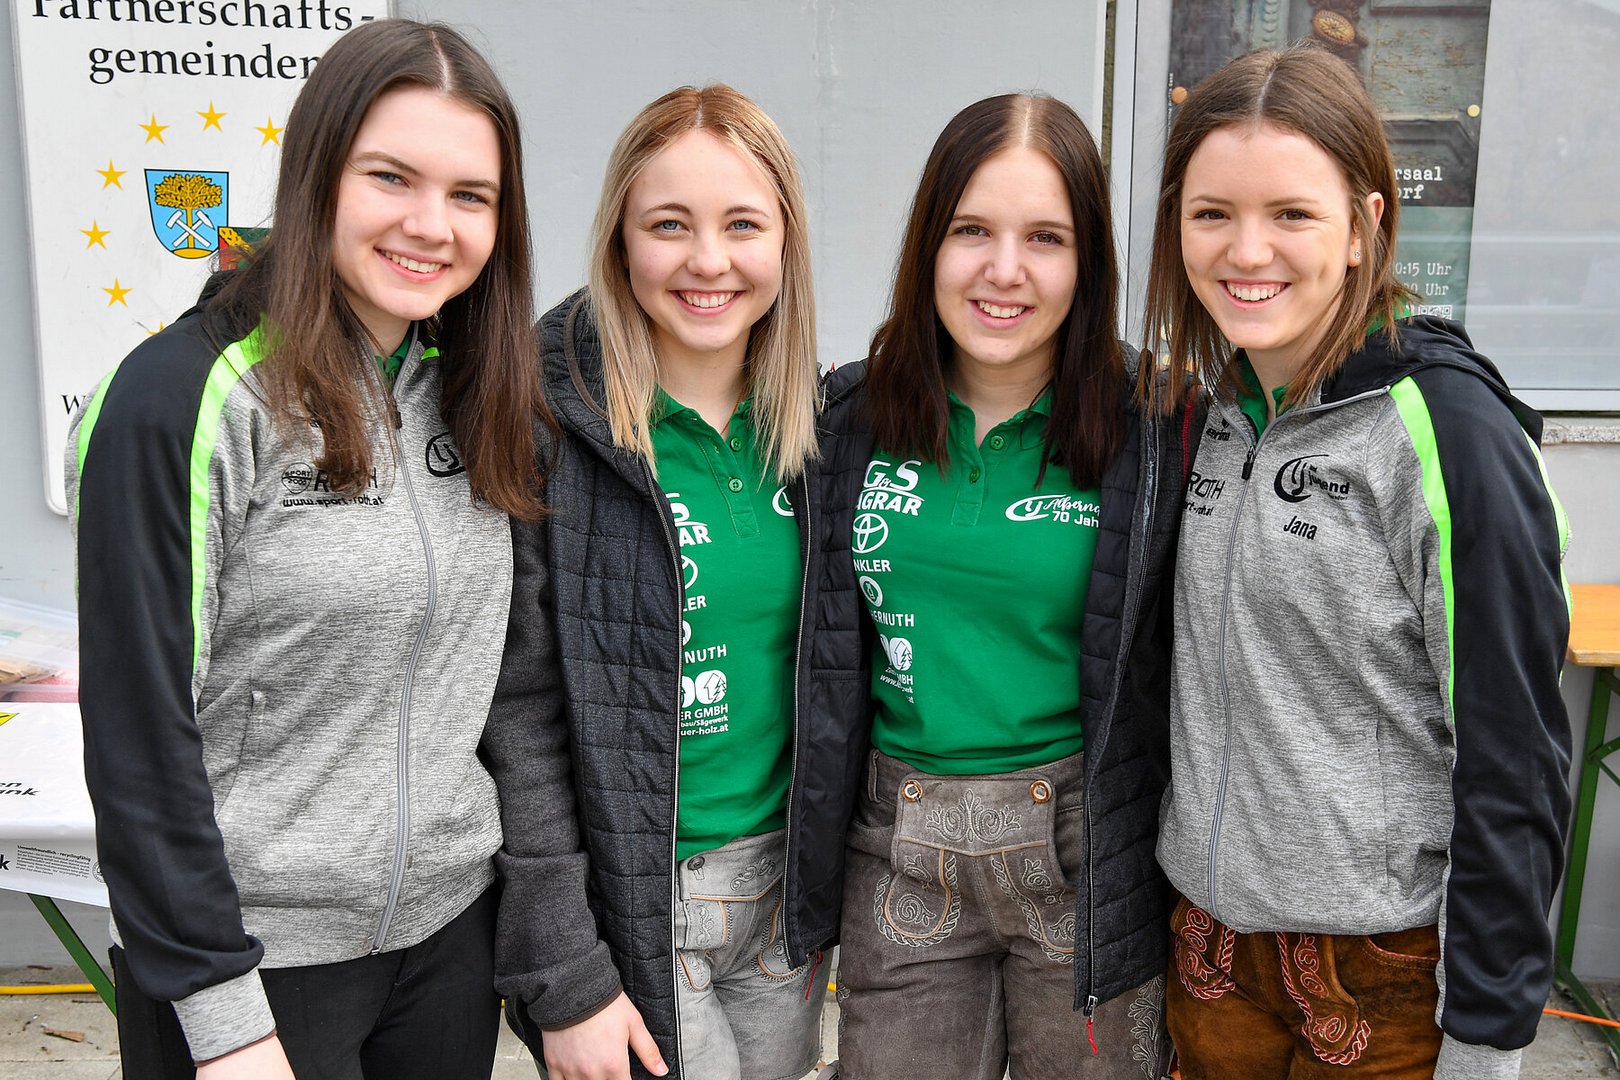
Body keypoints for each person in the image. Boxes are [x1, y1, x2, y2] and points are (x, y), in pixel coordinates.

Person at [66, 19, 545, 1079]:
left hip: (447, 946)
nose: (431, 225)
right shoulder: (183, 399)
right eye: (391, 177)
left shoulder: (474, 389)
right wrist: (220, 1013)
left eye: (471, 195)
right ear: (316, 173)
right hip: (253, 966)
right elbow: (139, 736)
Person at [1139, 44, 1571, 1080]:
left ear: (1363, 225)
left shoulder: (1449, 432)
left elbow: (1514, 751)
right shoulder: (1204, 413)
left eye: (1291, 212)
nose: (1247, 250)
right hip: (1209, 947)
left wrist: (1488, 1034)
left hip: (1381, 965)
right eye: (1212, 213)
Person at [485, 85, 864, 1080]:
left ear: (785, 243)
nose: (708, 260)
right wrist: (564, 971)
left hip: (782, 906)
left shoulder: (822, 431)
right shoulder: (547, 425)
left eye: (742, 224)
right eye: (669, 225)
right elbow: (516, 721)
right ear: (620, 240)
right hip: (637, 906)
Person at [816, 92, 1190, 1079]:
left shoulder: (1158, 429)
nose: (1004, 270)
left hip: (1086, 848)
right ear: (928, 245)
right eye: (972, 230)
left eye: (1046, 238)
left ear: (1089, 262)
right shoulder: (847, 418)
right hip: (898, 847)